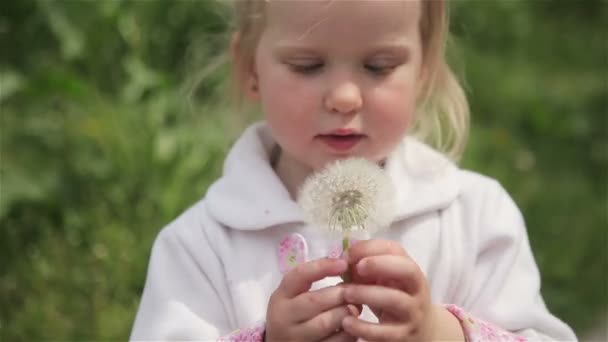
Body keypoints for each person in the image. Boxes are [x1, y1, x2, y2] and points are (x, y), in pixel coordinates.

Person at [130, 1, 577, 341]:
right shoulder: (200, 247)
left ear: (424, 70)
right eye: (308, 66)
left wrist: (441, 332)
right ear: (251, 68)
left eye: (378, 66)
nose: (345, 96)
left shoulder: (476, 219)